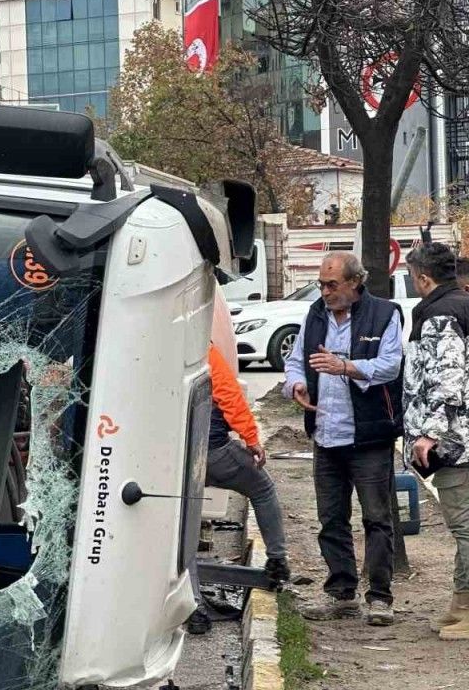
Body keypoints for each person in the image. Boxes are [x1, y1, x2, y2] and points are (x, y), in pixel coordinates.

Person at [284, 251, 404, 626]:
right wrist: (297, 384)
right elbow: (294, 358)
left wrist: (346, 367)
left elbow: (390, 365)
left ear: (355, 282)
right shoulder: (316, 314)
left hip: (369, 437)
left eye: (331, 284)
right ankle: (341, 594)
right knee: (331, 518)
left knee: (376, 518)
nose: (324, 292)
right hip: (326, 433)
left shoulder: (384, 314)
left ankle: (380, 597)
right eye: (321, 284)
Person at [187, 342, 291, 635]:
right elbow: (228, 395)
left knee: (181, 534)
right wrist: (251, 438)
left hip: (171, 460)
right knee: (262, 489)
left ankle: (194, 607)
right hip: (215, 453)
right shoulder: (202, 349)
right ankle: (277, 560)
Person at [401, 243, 469, 640]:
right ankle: (461, 604)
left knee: (463, 526)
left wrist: (429, 433)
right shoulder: (459, 305)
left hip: (455, 441)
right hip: (459, 436)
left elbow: (446, 378)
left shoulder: (441, 314)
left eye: (412, 277)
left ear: (423, 278)